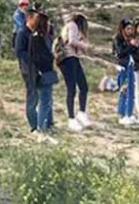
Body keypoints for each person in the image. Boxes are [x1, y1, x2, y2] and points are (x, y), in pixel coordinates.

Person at [17, 10, 58, 140]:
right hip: (29, 71)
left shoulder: (38, 34)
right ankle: (34, 126)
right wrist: (33, 60)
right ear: (29, 18)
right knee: (33, 98)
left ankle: (48, 123)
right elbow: (19, 52)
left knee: (46, 97)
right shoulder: (22, 33)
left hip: (40, 69)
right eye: (36, 19)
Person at [58, 12, 92, 131]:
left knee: (83, 86)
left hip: (73, 58)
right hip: (68, 58)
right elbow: (72, 41)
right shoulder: (72, 25)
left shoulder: (69, 26)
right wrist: (83, 45)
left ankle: (81, 113)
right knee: (72, 88)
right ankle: (71, 118)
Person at [113, 19, 138, 125]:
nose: (130, 31)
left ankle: (129, 113)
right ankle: (122, 114)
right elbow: (120, 53)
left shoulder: (131, 39)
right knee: (123, 90)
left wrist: (135, 47)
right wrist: (131, 46)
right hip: (123, 66)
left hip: (131, 66)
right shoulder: (117, 39)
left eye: (132, 29)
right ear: (123, 29)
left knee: (131, 90)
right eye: (128, 29)